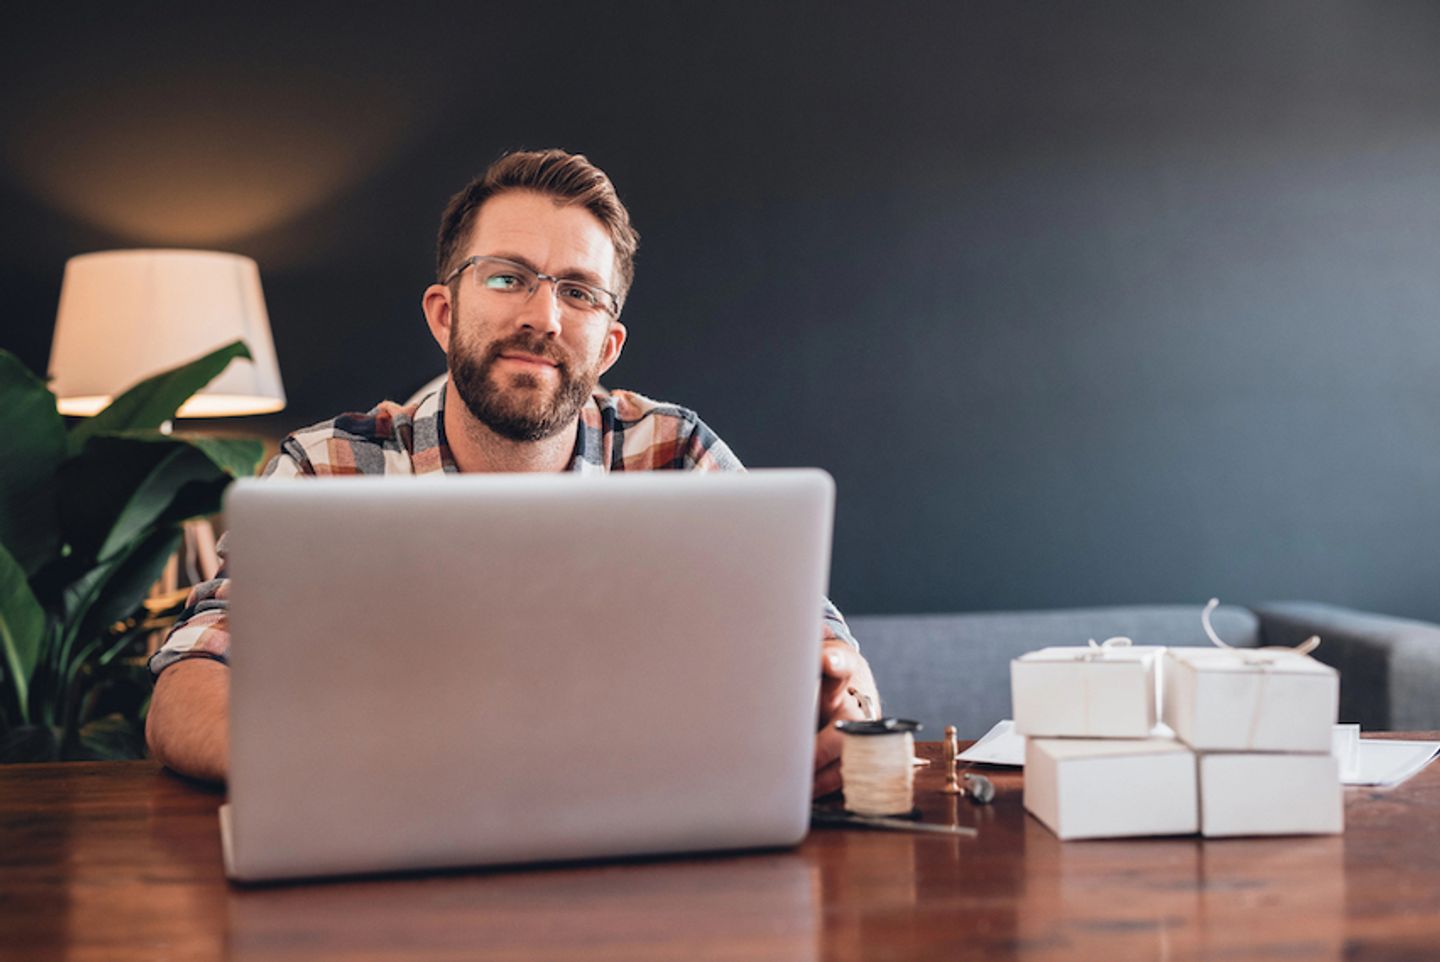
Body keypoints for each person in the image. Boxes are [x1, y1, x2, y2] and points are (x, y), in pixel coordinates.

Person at [145, 148, 881, 796]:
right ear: (443, 313)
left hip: (636, 852)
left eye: (578, 292)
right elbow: (186, 685)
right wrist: (329, 771)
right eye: (507, 278)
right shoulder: (326, 469)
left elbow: (829, 653)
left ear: (608, 344)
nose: (545, 317)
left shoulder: (674, 452)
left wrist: (838, 694)